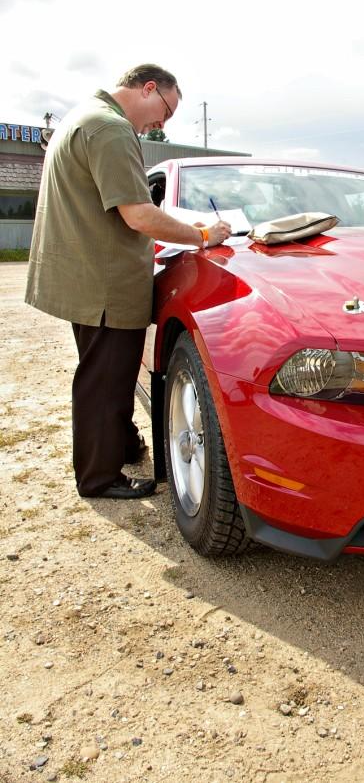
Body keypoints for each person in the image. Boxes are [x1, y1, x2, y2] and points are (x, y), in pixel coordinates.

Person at [25, 64, 231, 500]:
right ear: (149, 88)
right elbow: (137, 214)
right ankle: (99, 479)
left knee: (107, 374)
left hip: (86, 275)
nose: (162, 123)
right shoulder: (112, 129)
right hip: (106, 282)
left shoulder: (82, 118)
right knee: (104, 382)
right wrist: (201, 236)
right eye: (166, 110)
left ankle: (121, 446)